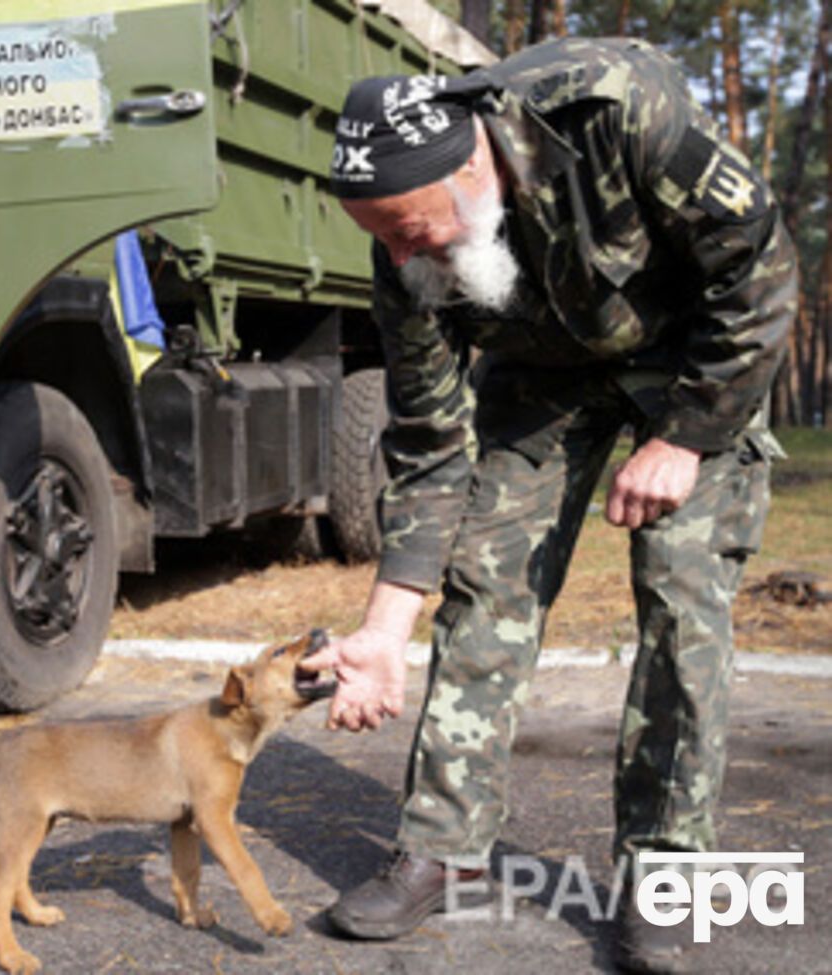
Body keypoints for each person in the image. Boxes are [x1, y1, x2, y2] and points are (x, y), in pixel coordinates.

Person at [299, 36, 798, 973]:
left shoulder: (617, 110)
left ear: (472, 167)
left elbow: (761, 270)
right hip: (545, 378)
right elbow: (431, 447)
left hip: (697, 358)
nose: (404, 253)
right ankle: (442, 846)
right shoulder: (404, 256)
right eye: (384, 237)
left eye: (412, 229)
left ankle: (670, 875)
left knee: (683, 596)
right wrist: (382, 628)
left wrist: (686, 436)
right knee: (486, 582)